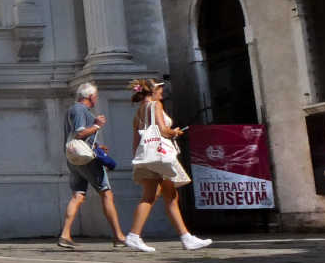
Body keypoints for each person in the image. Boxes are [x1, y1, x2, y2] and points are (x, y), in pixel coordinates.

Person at [123, 79, 211, 252]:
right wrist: (175, 132)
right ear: (153, 91)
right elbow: (163, 130)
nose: (162, 92)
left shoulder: (139, 112)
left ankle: (137, 235)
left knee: (159, 196)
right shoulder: (155, 105)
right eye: (160, 89)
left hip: (147, 157)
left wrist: (138, 159)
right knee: (166, 197)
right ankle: (183, 238)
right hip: (160, 156)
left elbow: (136, 140)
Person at [58, 82, 126, 250]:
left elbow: (76, 136)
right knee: (106, 194)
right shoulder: (80, 110)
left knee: (78, 195)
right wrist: (96, 125)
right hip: (87, 161)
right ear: (90, 97)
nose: (96, 99)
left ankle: (65, 235)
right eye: (95, 96)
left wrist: (96, 146)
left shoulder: (72, 110)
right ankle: (118, 236)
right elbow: (80, 133)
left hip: (74, 159)